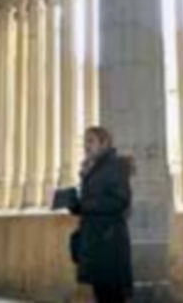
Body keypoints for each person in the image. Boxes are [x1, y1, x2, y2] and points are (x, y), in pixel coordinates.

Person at [67, 127, 133, 303]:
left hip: (108, 241)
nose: (86, 146)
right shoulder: (93, 168)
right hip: (95, 239)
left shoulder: (114, 166)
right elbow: (91, 201)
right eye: (85, 142)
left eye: (91, 141)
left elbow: (121, 200)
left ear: (104, 143)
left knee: (112, 294)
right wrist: (74, 204)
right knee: (101, 293)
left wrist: (86, 205)